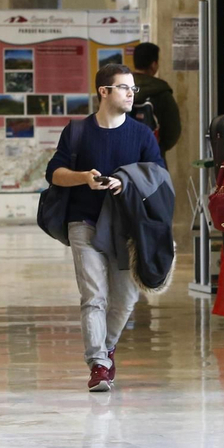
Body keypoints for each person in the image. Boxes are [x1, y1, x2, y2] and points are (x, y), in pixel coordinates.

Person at [45, 63, 165, 393]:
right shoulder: (78, 131)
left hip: (127, 229)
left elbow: (158, 175)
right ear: (104, 91)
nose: (131, 94)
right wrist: (83, 177)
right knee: (94, 296)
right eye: (124, 88)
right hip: (84, 223)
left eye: (132, 89)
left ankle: (107, 349)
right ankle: (98, 363)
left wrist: (124, 181)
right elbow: (54, 173)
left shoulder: (141, 134)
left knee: (126, 299)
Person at [131, 42, 182, 153]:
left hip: (124, 158)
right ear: (154, 65)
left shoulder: (120, 89)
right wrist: (159, 148)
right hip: (153, 156)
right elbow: (173, 131)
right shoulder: (161, 92)